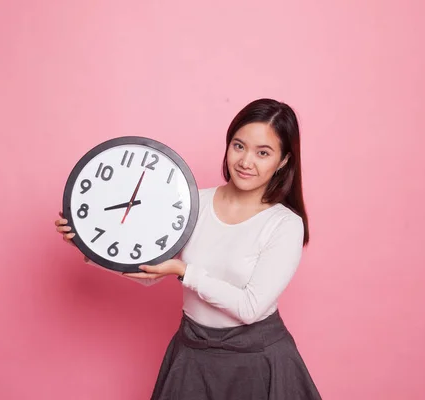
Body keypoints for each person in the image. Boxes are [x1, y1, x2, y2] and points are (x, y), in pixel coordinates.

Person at [56, 98, 322, 399]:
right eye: (239, 146)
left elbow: (250, 308)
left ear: (284, 161)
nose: (246, 161)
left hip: (258, 361)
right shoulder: (191, 202)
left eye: (263, 153)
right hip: (193, 354)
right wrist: (90, 245)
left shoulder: (284, 224)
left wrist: (184, 271)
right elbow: (151, 272)